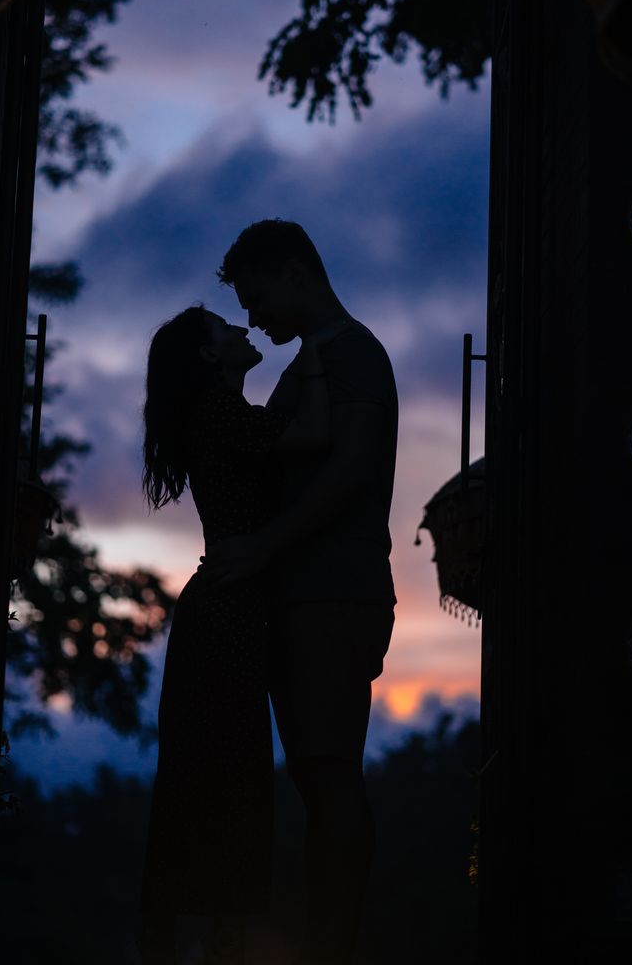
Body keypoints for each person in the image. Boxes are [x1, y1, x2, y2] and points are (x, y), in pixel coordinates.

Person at [204, 219, 398, 965]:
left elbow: (351, 473)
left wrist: (261, 547)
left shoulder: (355, 356)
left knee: (329, 773)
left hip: (332, 594)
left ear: (294, 273)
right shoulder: (313, 363)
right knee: (319, 779)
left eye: (257, 301)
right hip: (304, 595)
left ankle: (332, 946)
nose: (254, 319)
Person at [139, 304, 332, 965]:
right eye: (227, 330)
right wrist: (319, 348)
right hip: (227, 614)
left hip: (224, 611)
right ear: (207, 356)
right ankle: (221, 940)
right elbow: (311, 434)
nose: (245, 332)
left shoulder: (222, 417)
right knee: (228, 780)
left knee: (213, 779)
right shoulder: (222, 417)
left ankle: (206, 938)